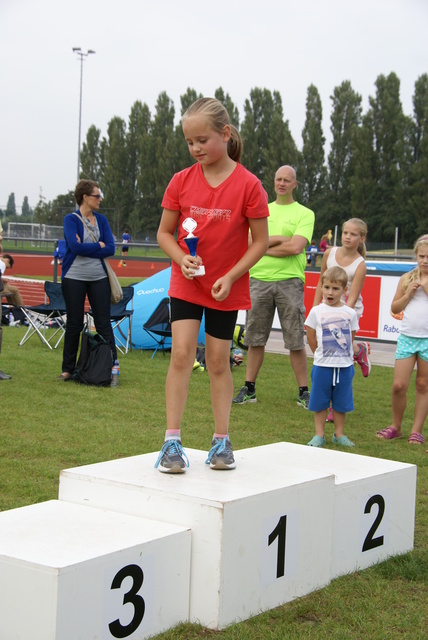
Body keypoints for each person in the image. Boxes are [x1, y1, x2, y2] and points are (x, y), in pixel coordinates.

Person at [154, 97, 269, 473]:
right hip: (187, 282)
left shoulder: (250, 185)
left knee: (219, 362)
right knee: (182, 354)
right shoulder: (181, 181)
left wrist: (232, 275)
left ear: (226, 133)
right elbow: (164, 233)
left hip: (225, 286)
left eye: (202, 139)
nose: (196, 148)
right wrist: (181, 258)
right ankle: (172, 442)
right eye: (190, 142)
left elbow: (260, 242)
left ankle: (221, 442)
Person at [232, 165, 314, 408]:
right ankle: (249, 389)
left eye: (287, 180)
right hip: (258, 280)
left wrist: (263, 246)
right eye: (278, 179)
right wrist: (277, 239)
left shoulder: (305, 213)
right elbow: (246, 242)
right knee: (255, 339)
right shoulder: (261, 210)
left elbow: (296, 247)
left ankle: (303, 392)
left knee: (295, 340)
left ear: (295, 184)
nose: (282, 183)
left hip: (290, 281)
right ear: (274, 182)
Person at [313, 218, 371, 423]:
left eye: (353, 234)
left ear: (361, 238)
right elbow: (320, 283)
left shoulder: (360, 264)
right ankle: (359, 350)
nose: (348, 236)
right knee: (325, 354)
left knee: (340, 357)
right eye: (345, 232)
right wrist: (315, 309)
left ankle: (335, 405)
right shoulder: (329, 253)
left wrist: (340, 318)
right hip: (325, 310)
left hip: (347, 313)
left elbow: (352, 299)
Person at [59, 180, 117, 380]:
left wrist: (96, 247)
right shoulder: (71, 219)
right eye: (97, 196)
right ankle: (67, 369)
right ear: (85, 197)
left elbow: (111, 248)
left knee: (103, 323)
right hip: (73, 277)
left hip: (99, 277)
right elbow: (74, 248)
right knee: (74, 323)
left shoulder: (102, 220)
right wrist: (98, 247)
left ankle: (112, 365)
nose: (100, 199)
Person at [376, 234, 428, 446]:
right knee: (398, 385)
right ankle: (396, 426)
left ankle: (416, 431)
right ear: (416, 256)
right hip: (407, 337)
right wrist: (409, 293)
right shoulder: (407, 278)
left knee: (423, 384)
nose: (425, 260)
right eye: (422, 256)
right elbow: (395, 308)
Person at [305, 266, 358, 447]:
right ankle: (319, 435)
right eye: (326, 287)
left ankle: (339, 434)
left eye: (335, 289)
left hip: (344, 366)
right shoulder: (316, 311)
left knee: (341, 402)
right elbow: (310, 335)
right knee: (320, 400)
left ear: (344, 291)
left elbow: (351, 337)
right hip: (322, 366)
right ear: (321, 287)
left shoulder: (350, 313)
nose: (330, 292)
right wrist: (319, 354)